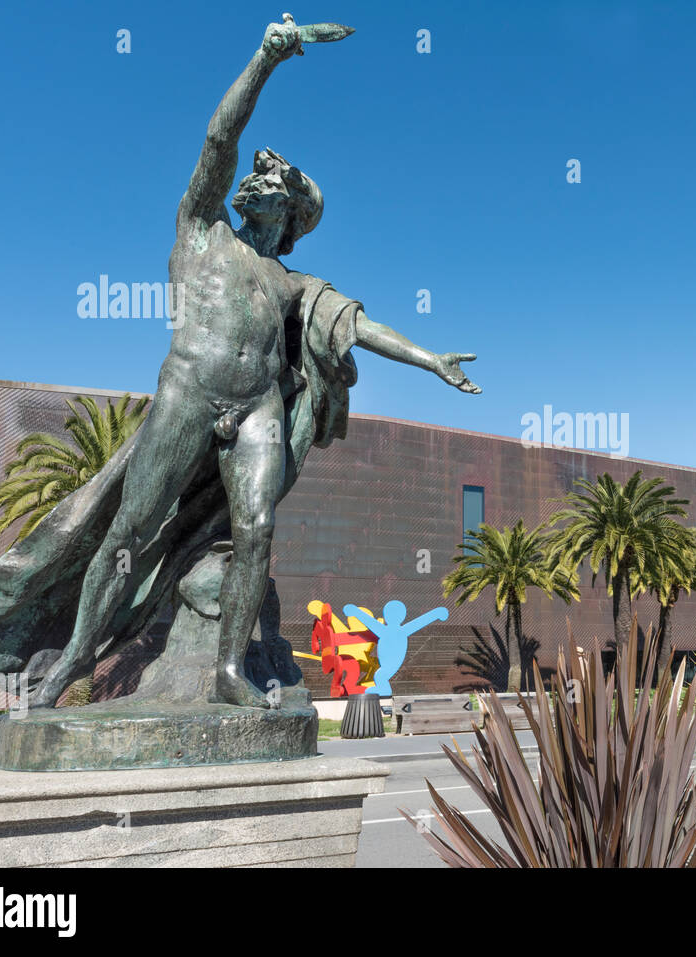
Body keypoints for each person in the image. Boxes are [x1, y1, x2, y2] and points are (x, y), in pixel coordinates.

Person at [26, 17, 480, 708]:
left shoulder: (291, 284)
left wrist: (432, 360)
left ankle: (228, 670)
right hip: (189, 389)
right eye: (258, 172)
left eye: (274, 178)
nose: (257, 177)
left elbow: (358, 325)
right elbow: (219, 138)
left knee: (256, 529)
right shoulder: (202, 225)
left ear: (292, 210)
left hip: (258, 410)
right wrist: (268, 57)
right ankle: (71, 663)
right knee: (129, 528)